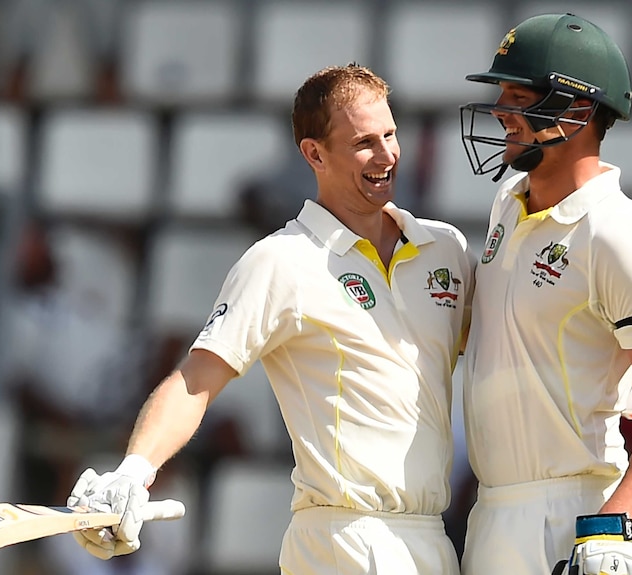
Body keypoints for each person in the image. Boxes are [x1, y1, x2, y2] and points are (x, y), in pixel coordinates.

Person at [66, 63, 474, 575]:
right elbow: (196, 379)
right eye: (363, 142)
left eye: (391, 135)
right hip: (343, 540)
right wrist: (135, 469)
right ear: (314, 154)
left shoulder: (446, 250)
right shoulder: (280, 260)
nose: (387, 155)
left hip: (432, 540)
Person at [457, 13, 632, 575]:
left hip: (573, 513)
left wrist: (611, 529)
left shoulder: (616, 234)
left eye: (518, 97)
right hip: (493, 509)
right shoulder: (508, 200)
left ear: (576, 110)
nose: (500, 110)